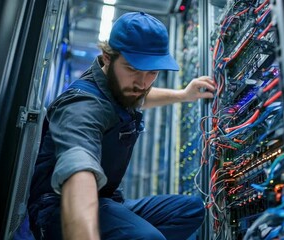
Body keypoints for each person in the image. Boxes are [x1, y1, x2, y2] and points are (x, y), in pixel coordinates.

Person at [27, 12, 215, 240]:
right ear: (107, 57)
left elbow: (140, 95)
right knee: (148, 238)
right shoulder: (81, 107)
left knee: (190, 210)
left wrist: (183, 95)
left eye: (152, 72)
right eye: (134, 69)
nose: (143, 83)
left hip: (103, 200)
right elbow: (78, 173)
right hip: (58, 206)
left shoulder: (118, 86)